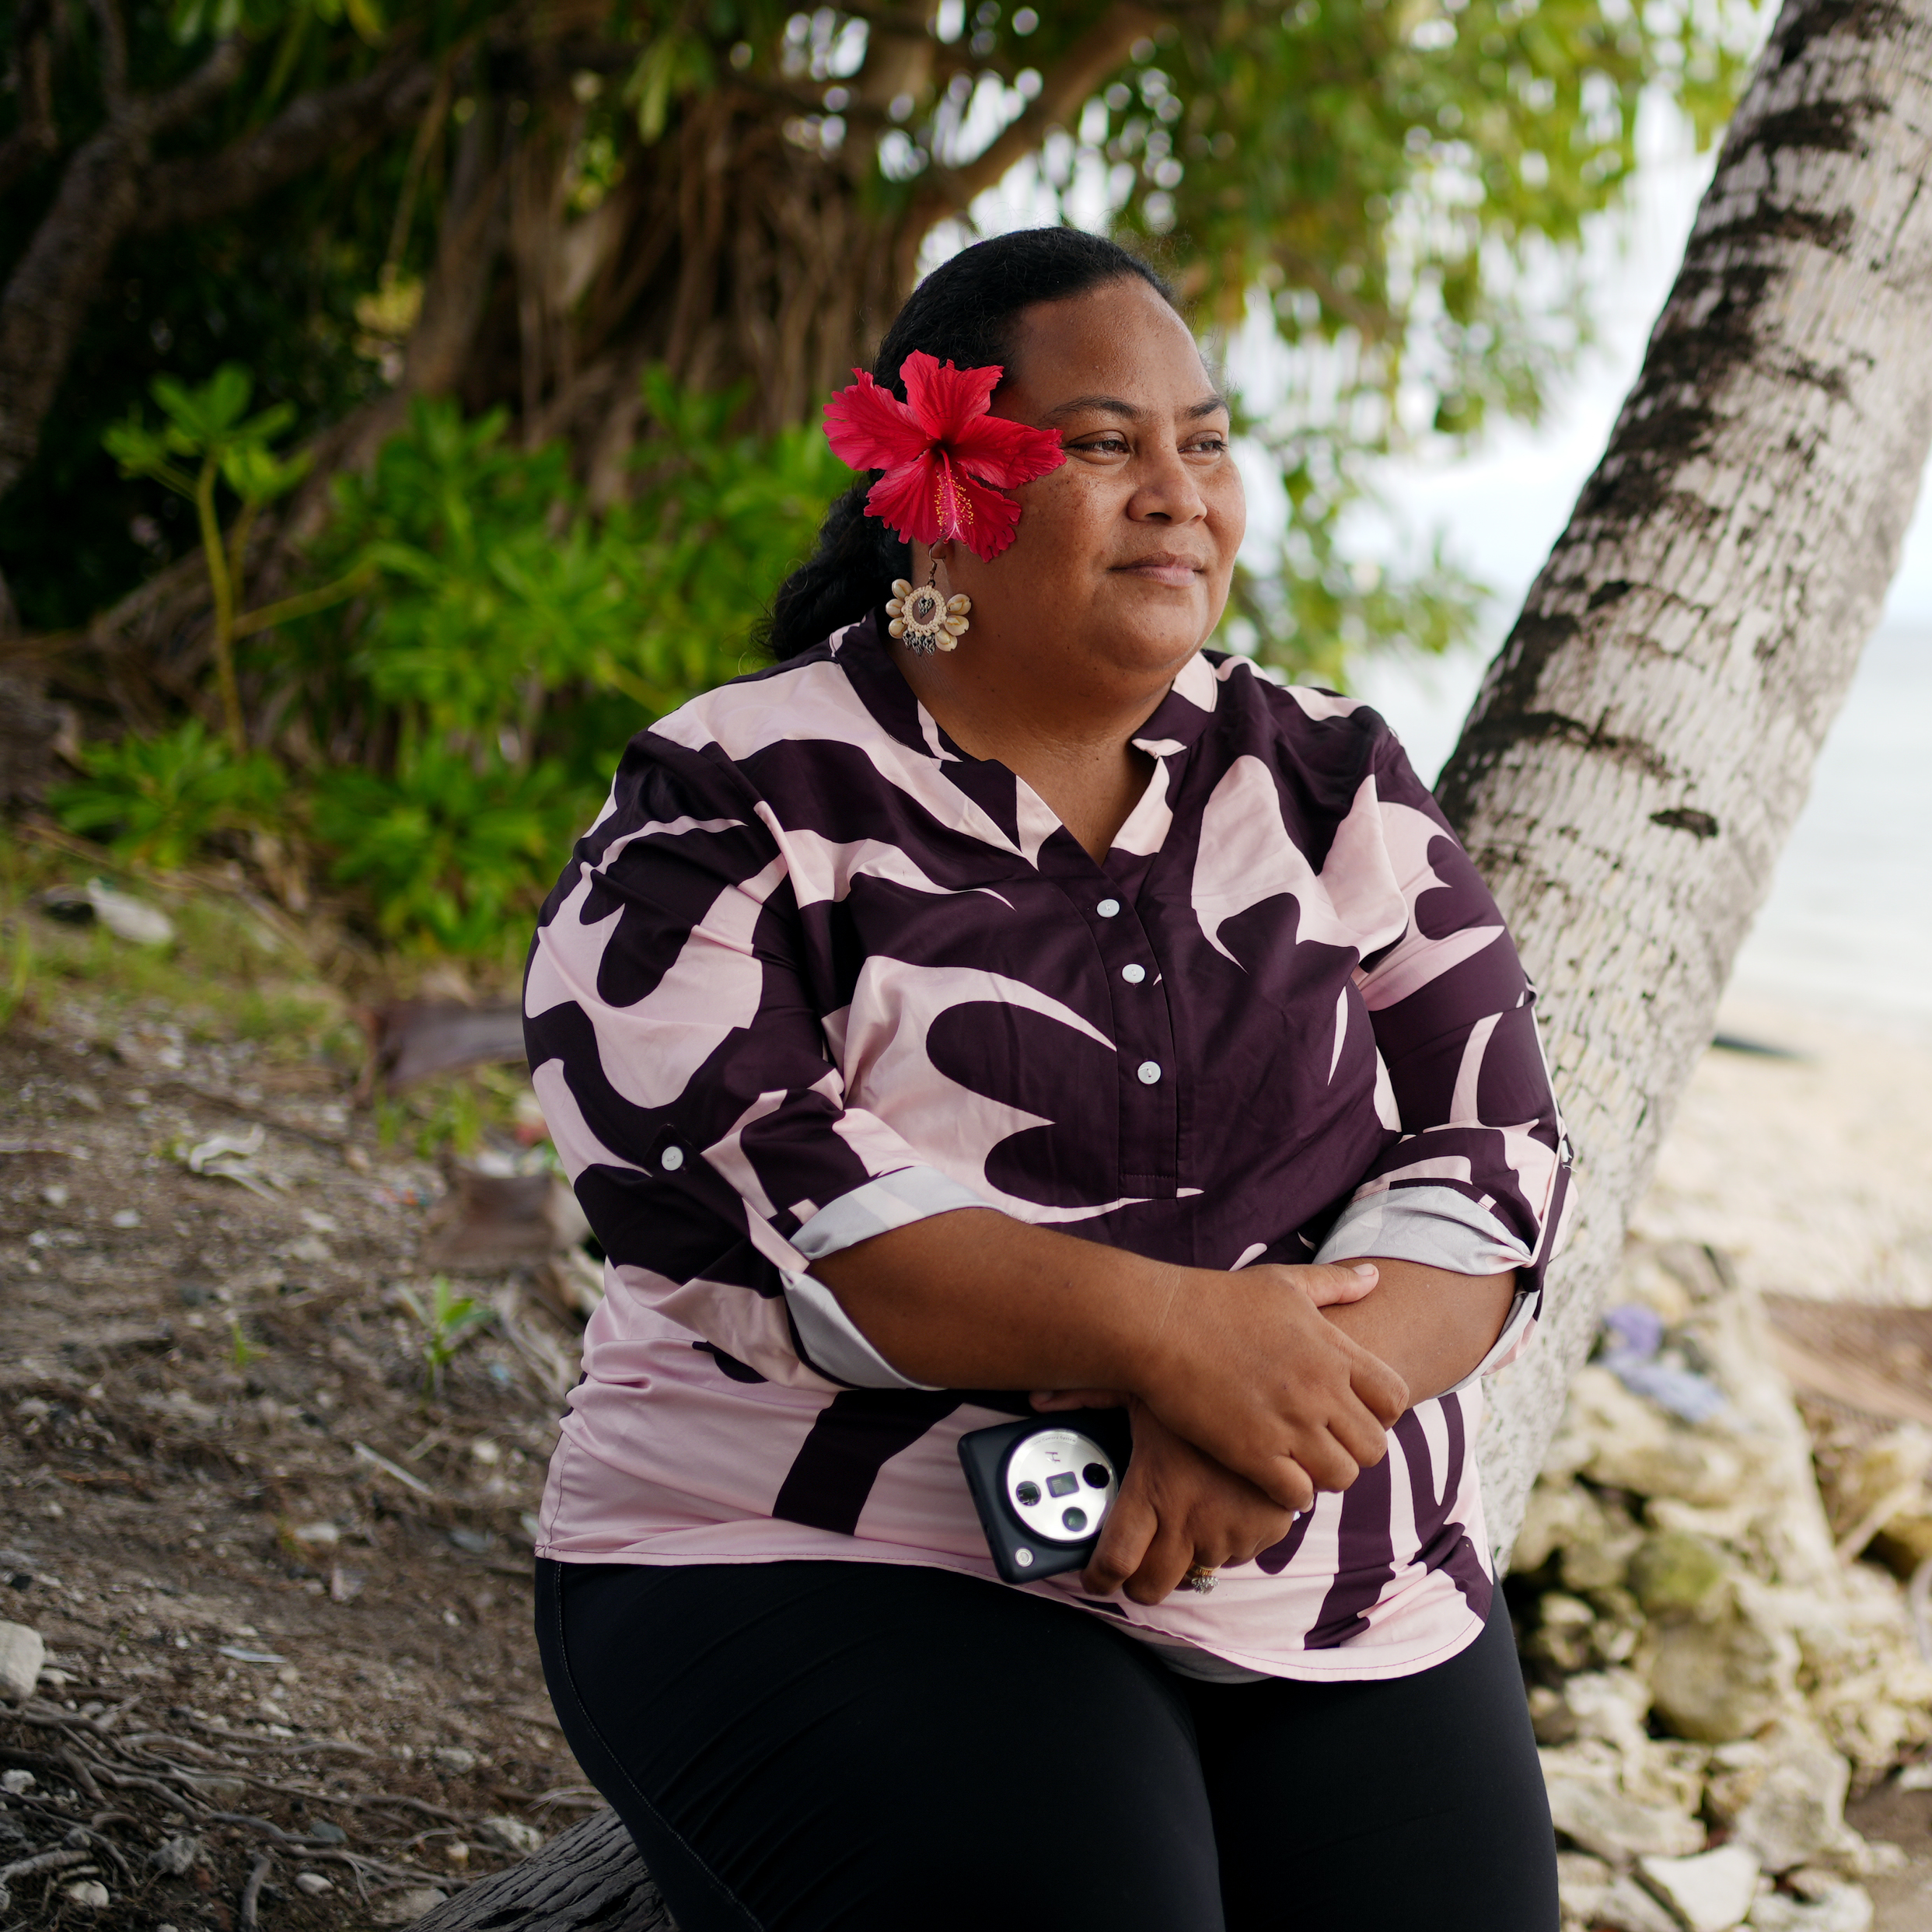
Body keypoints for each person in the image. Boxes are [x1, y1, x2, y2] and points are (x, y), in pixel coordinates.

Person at [522, 226, 1572, 1931]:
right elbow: (790, 1210)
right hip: (833, 1549)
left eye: (1205, 442)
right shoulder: (730, 798)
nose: (1177, 491)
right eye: (1103, 444)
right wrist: (1174, 1337)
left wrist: (1267, 1419)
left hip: (1320, 1564)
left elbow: (1498, 1150)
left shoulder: (1326, 781)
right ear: (944, 489)